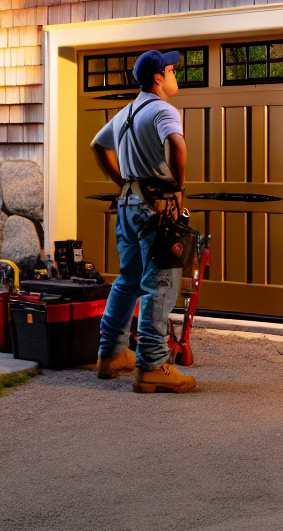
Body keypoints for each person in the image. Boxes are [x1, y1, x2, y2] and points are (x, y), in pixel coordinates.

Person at [90, 49, 197, 393]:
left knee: (128, 279)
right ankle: (152, 365)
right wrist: (178, 185)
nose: (174, 75)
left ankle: (111, 355)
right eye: (170, 69)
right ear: (158, 78)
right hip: (156, 207)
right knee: (160, 283)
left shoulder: (125, 113)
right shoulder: (163, 109)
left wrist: (122, 181)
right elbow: (177, 146)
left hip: (126, 205)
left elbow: (97, 145)